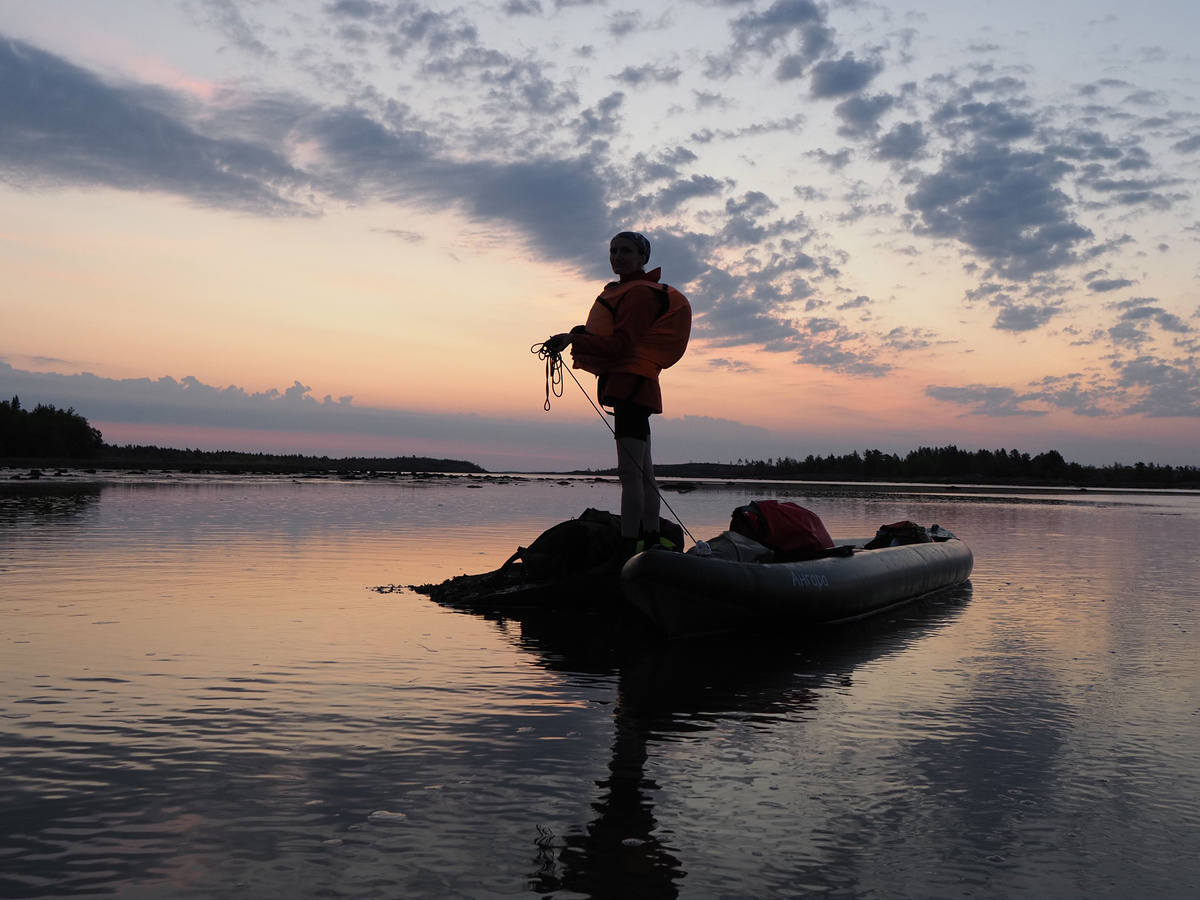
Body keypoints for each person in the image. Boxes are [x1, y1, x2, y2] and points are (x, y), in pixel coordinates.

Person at [546, 231, 691, 558]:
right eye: (613, 251)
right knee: (644, 472)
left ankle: (629, 548)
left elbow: (621, 345)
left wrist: (573, 340)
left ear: (643, 258)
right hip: (634, 386)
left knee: (630, 473)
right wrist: (575, 336)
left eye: (626, 251)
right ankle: (651, 541)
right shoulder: (628, 290)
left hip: (631, 386)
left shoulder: (639, 294)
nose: (618, 256)